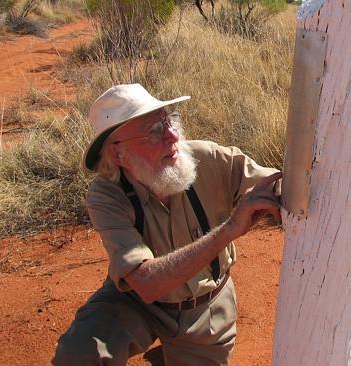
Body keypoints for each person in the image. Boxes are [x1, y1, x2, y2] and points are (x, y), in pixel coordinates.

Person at [52, 84, 282, 366]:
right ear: (118, 153)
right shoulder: (106, 195)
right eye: (153, 131)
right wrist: (230, 229)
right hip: (137, 303)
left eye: (169, 121)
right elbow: (146, 284)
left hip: (204, 307)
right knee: (78, 354)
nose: (172, 136)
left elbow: (279, 183)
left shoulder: (206, 157)